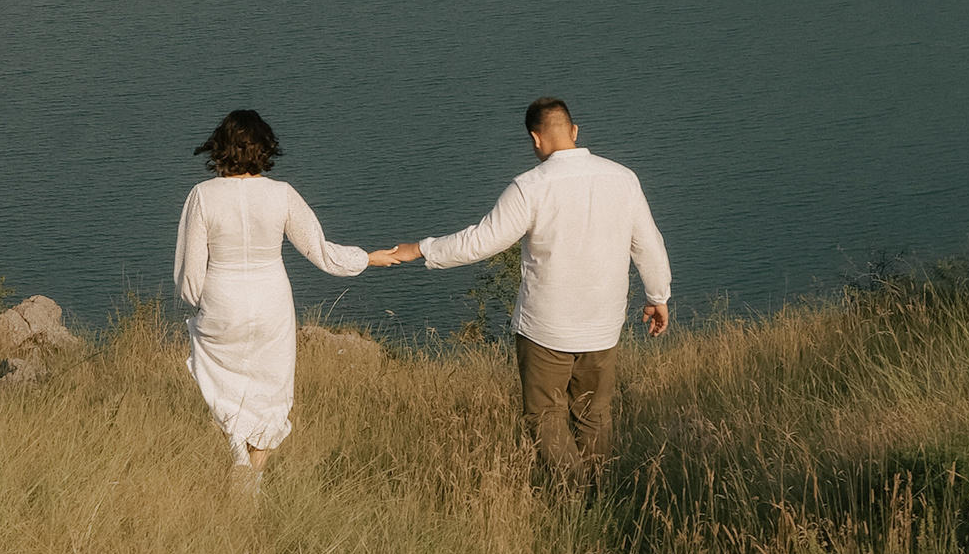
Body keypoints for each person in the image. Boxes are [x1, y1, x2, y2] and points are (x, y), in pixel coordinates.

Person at [370, 96, 669, 485]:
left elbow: (482, 241)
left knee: (545, 417)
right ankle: (601, 495)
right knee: (594, 415)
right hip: (603, 326)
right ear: (574, 131)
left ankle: (573, 496)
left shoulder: (531, 187)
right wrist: (657, 297)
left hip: (546, 329)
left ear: (535, 139)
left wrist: (420, 249)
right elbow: (648, 243)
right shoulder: (623, 178)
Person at [174, 108, 371, 476]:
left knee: (224, 384)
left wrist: (200, 304)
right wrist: (367, 258)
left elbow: (190, 274)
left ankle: (236, 452)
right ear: (265, 149)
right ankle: (255, 474)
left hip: (222, 298)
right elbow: (321, 251)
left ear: (221, 148)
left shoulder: (202, 196)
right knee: (269, 387)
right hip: (272, 302)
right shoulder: (282, 194)